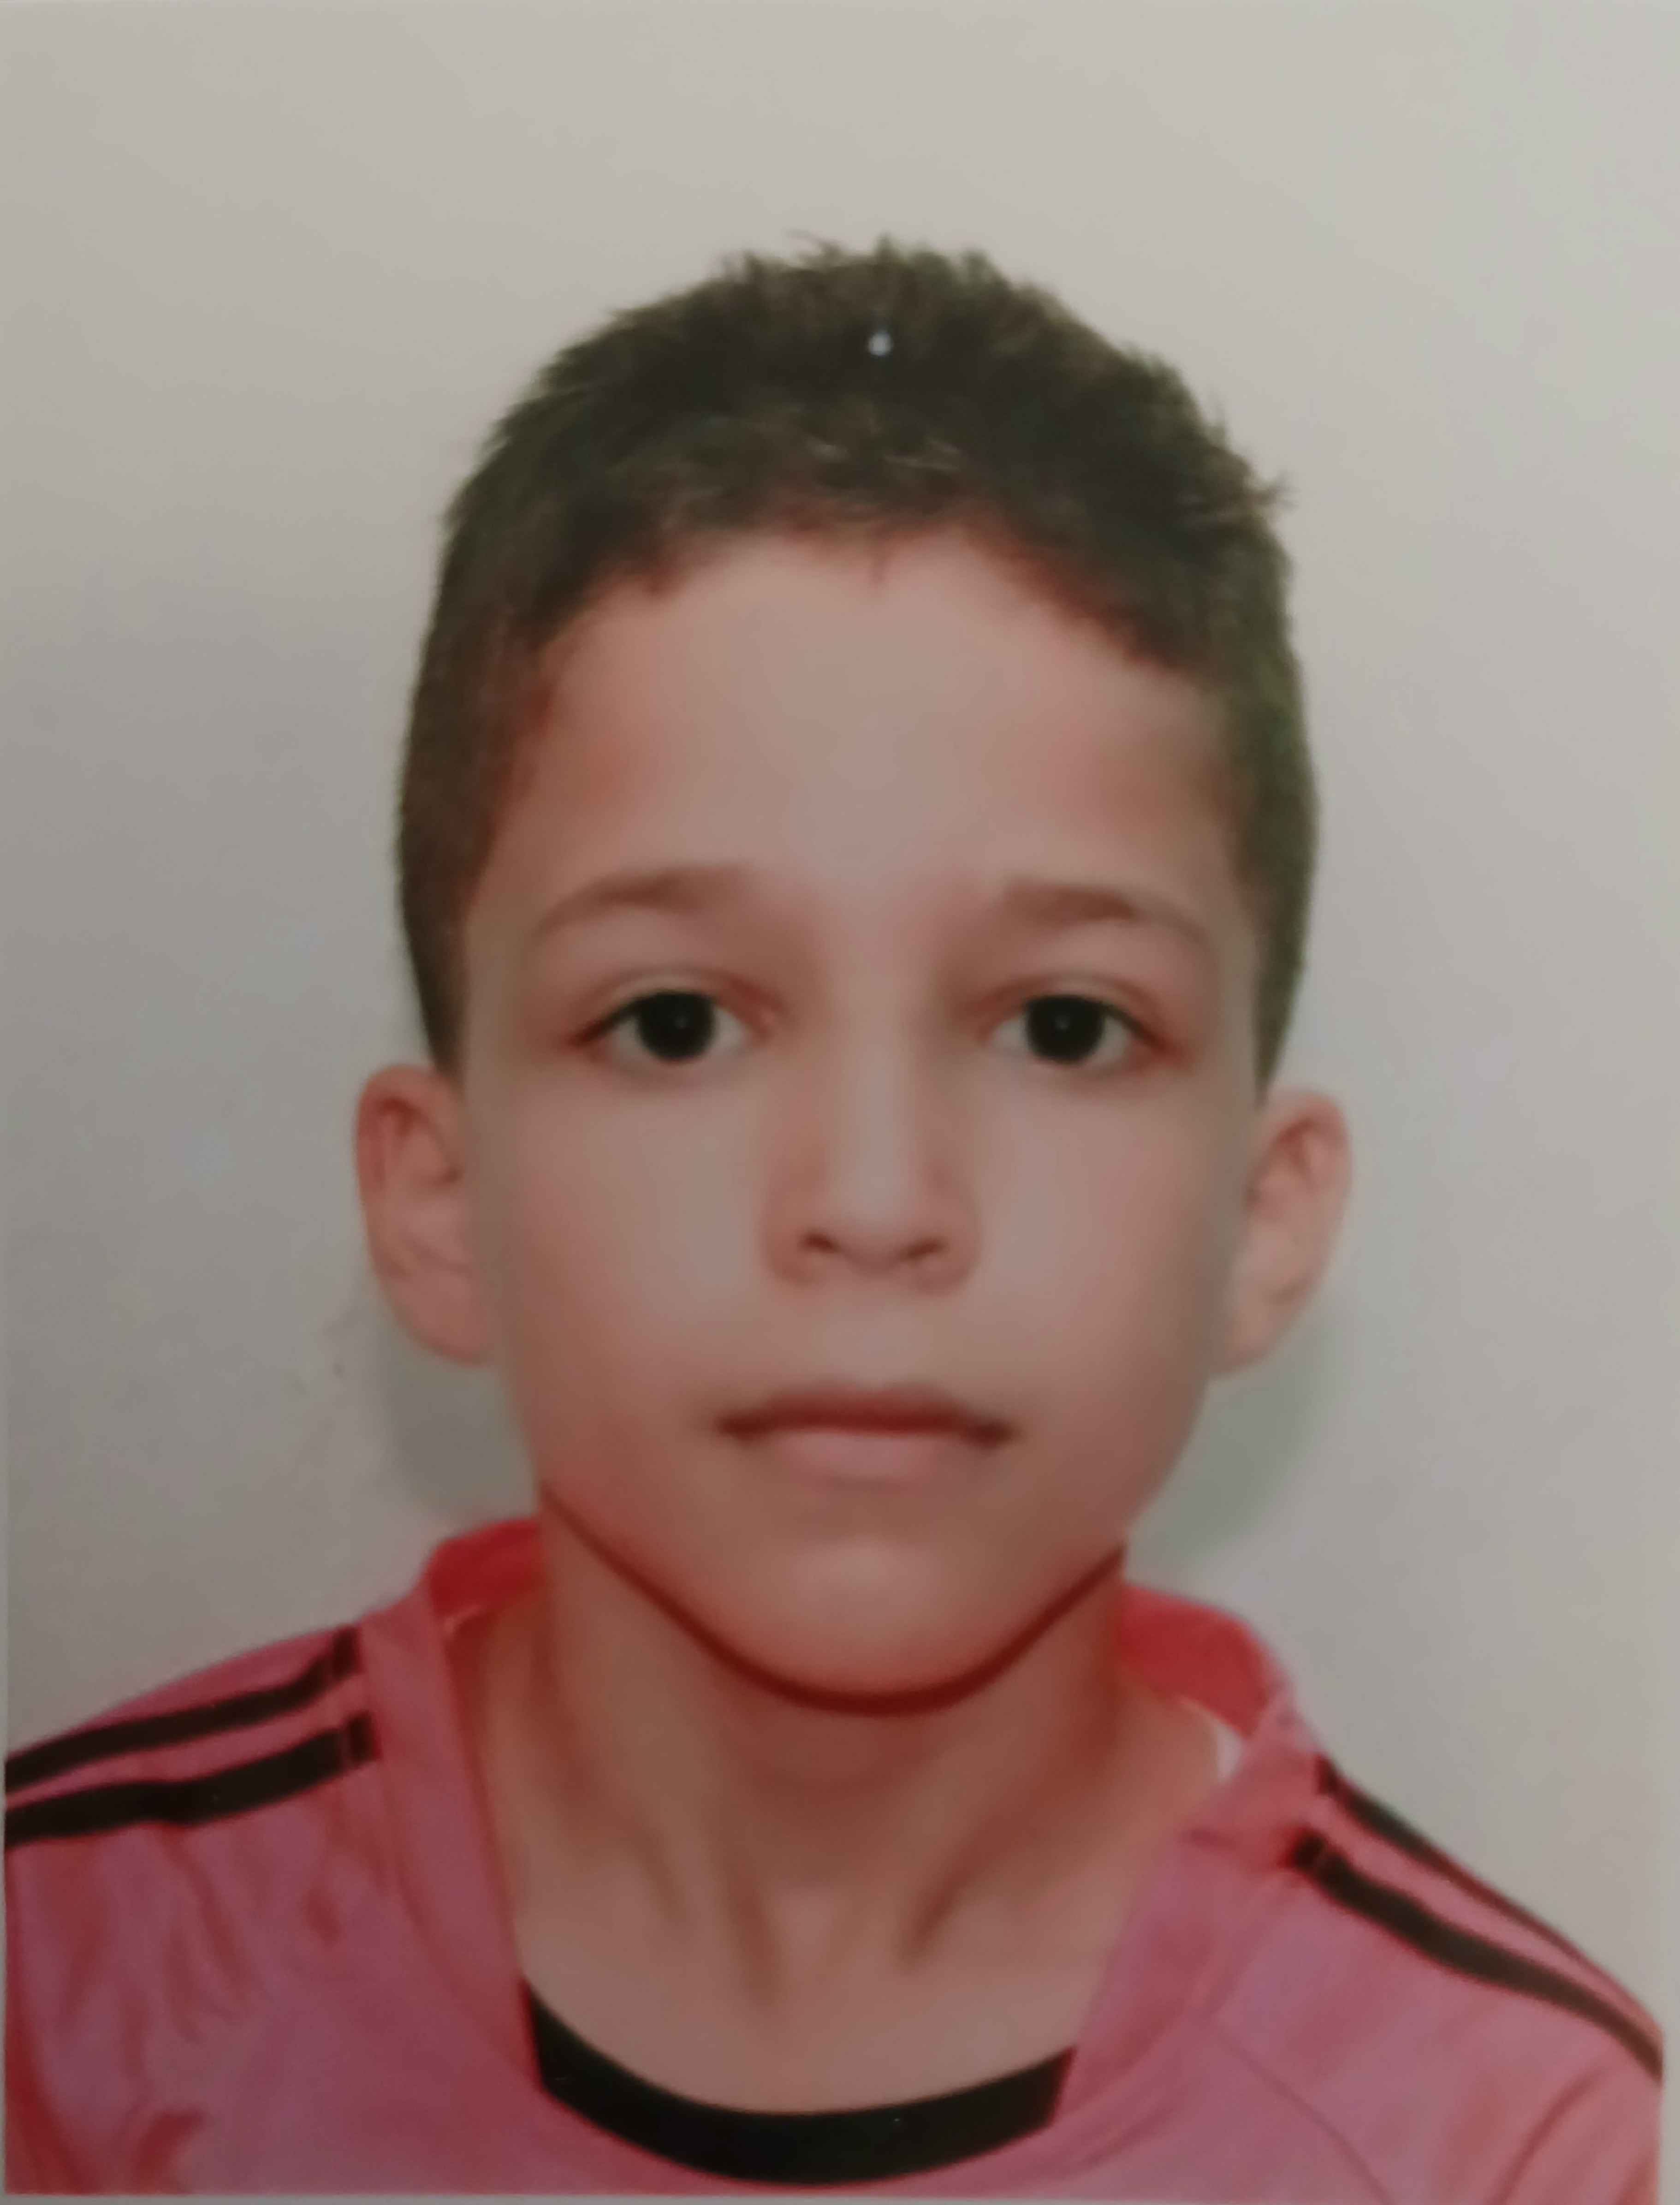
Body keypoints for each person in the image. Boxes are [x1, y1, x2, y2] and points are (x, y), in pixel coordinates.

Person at [5, 240, 1660, 2199]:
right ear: (439, 1201)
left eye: (1062, 1026)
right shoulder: (62, 1994)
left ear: (1260, 1217)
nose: (873, 1204)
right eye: (675, 1022)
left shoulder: (1507, 2139)